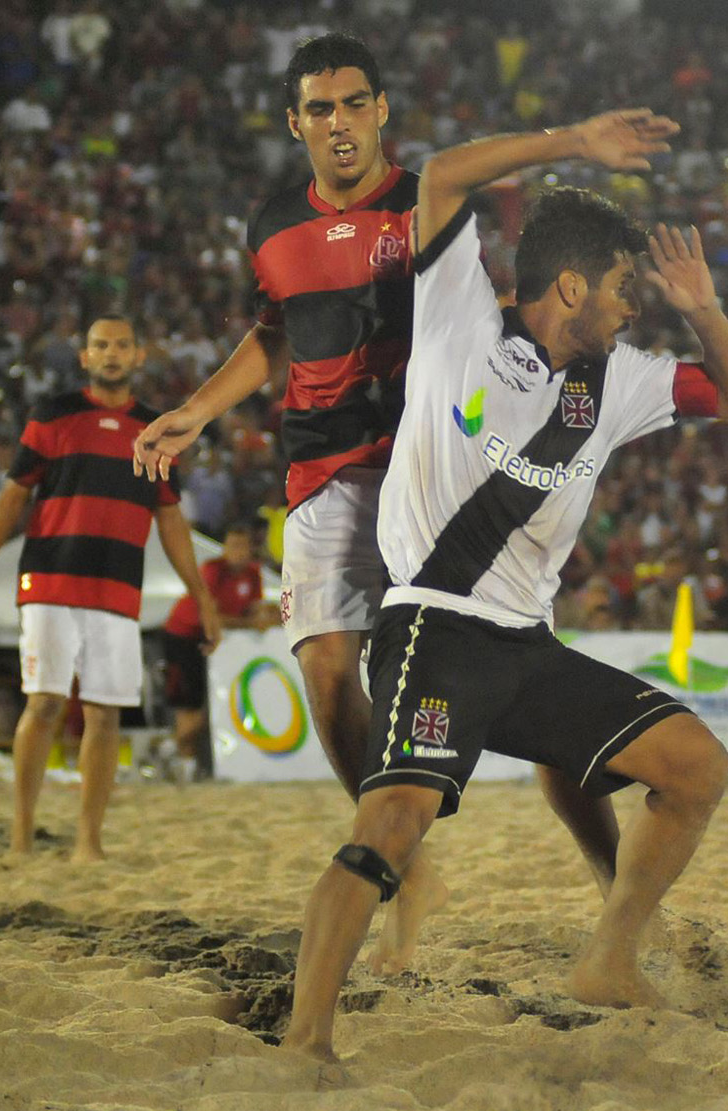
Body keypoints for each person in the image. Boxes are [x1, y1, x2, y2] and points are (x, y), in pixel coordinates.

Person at [264, 107, 728, 1063]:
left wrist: (704, 308)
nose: (630, 306)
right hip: (435, 632)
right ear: (569, 283)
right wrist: (573, 143)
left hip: (528, 649)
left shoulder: (613, 382)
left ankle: (609, 961)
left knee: (698, 767)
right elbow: (444, 176)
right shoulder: (457, 314)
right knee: (390, 825)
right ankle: (306, 1042)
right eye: (621, 287)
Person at [131, 33, 617, 973]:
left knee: (535, 684)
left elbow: (488, 325)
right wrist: (194, 410)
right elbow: (274, 333)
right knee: (324, 673)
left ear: (383, 110)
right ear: (295, 122)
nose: (340, 123)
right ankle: (396, 858)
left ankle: (614, 880)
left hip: (434, 469)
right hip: (325, 471)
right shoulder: (273, 227)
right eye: (321, 108)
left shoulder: (426, 209)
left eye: (355, 103)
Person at [0, 317, 222, 862]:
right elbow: (10, 499)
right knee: (45, 701)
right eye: (101, 345)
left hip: (118, 587)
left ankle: (87, 844)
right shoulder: (52, 415)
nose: (112, 353)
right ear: (85, 358)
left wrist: (203, 597)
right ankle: (21, 836)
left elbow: (171, 521)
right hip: (50, 578)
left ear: (139, 355)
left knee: (104, 714)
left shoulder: (157, 429)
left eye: (122, 344)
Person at [160, 521, 271, 780]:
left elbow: (256, 610)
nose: (238, 552)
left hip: (214, 642)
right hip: (185, 636)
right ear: (225, 548)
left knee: (206, 708)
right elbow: (212, 615)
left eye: (242, 547)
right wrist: (252, 623)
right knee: (191, 706)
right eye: (233, 546)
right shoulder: (212, 570)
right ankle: (176, 754)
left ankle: (180, 757)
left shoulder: (253, 574)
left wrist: (266, 618)